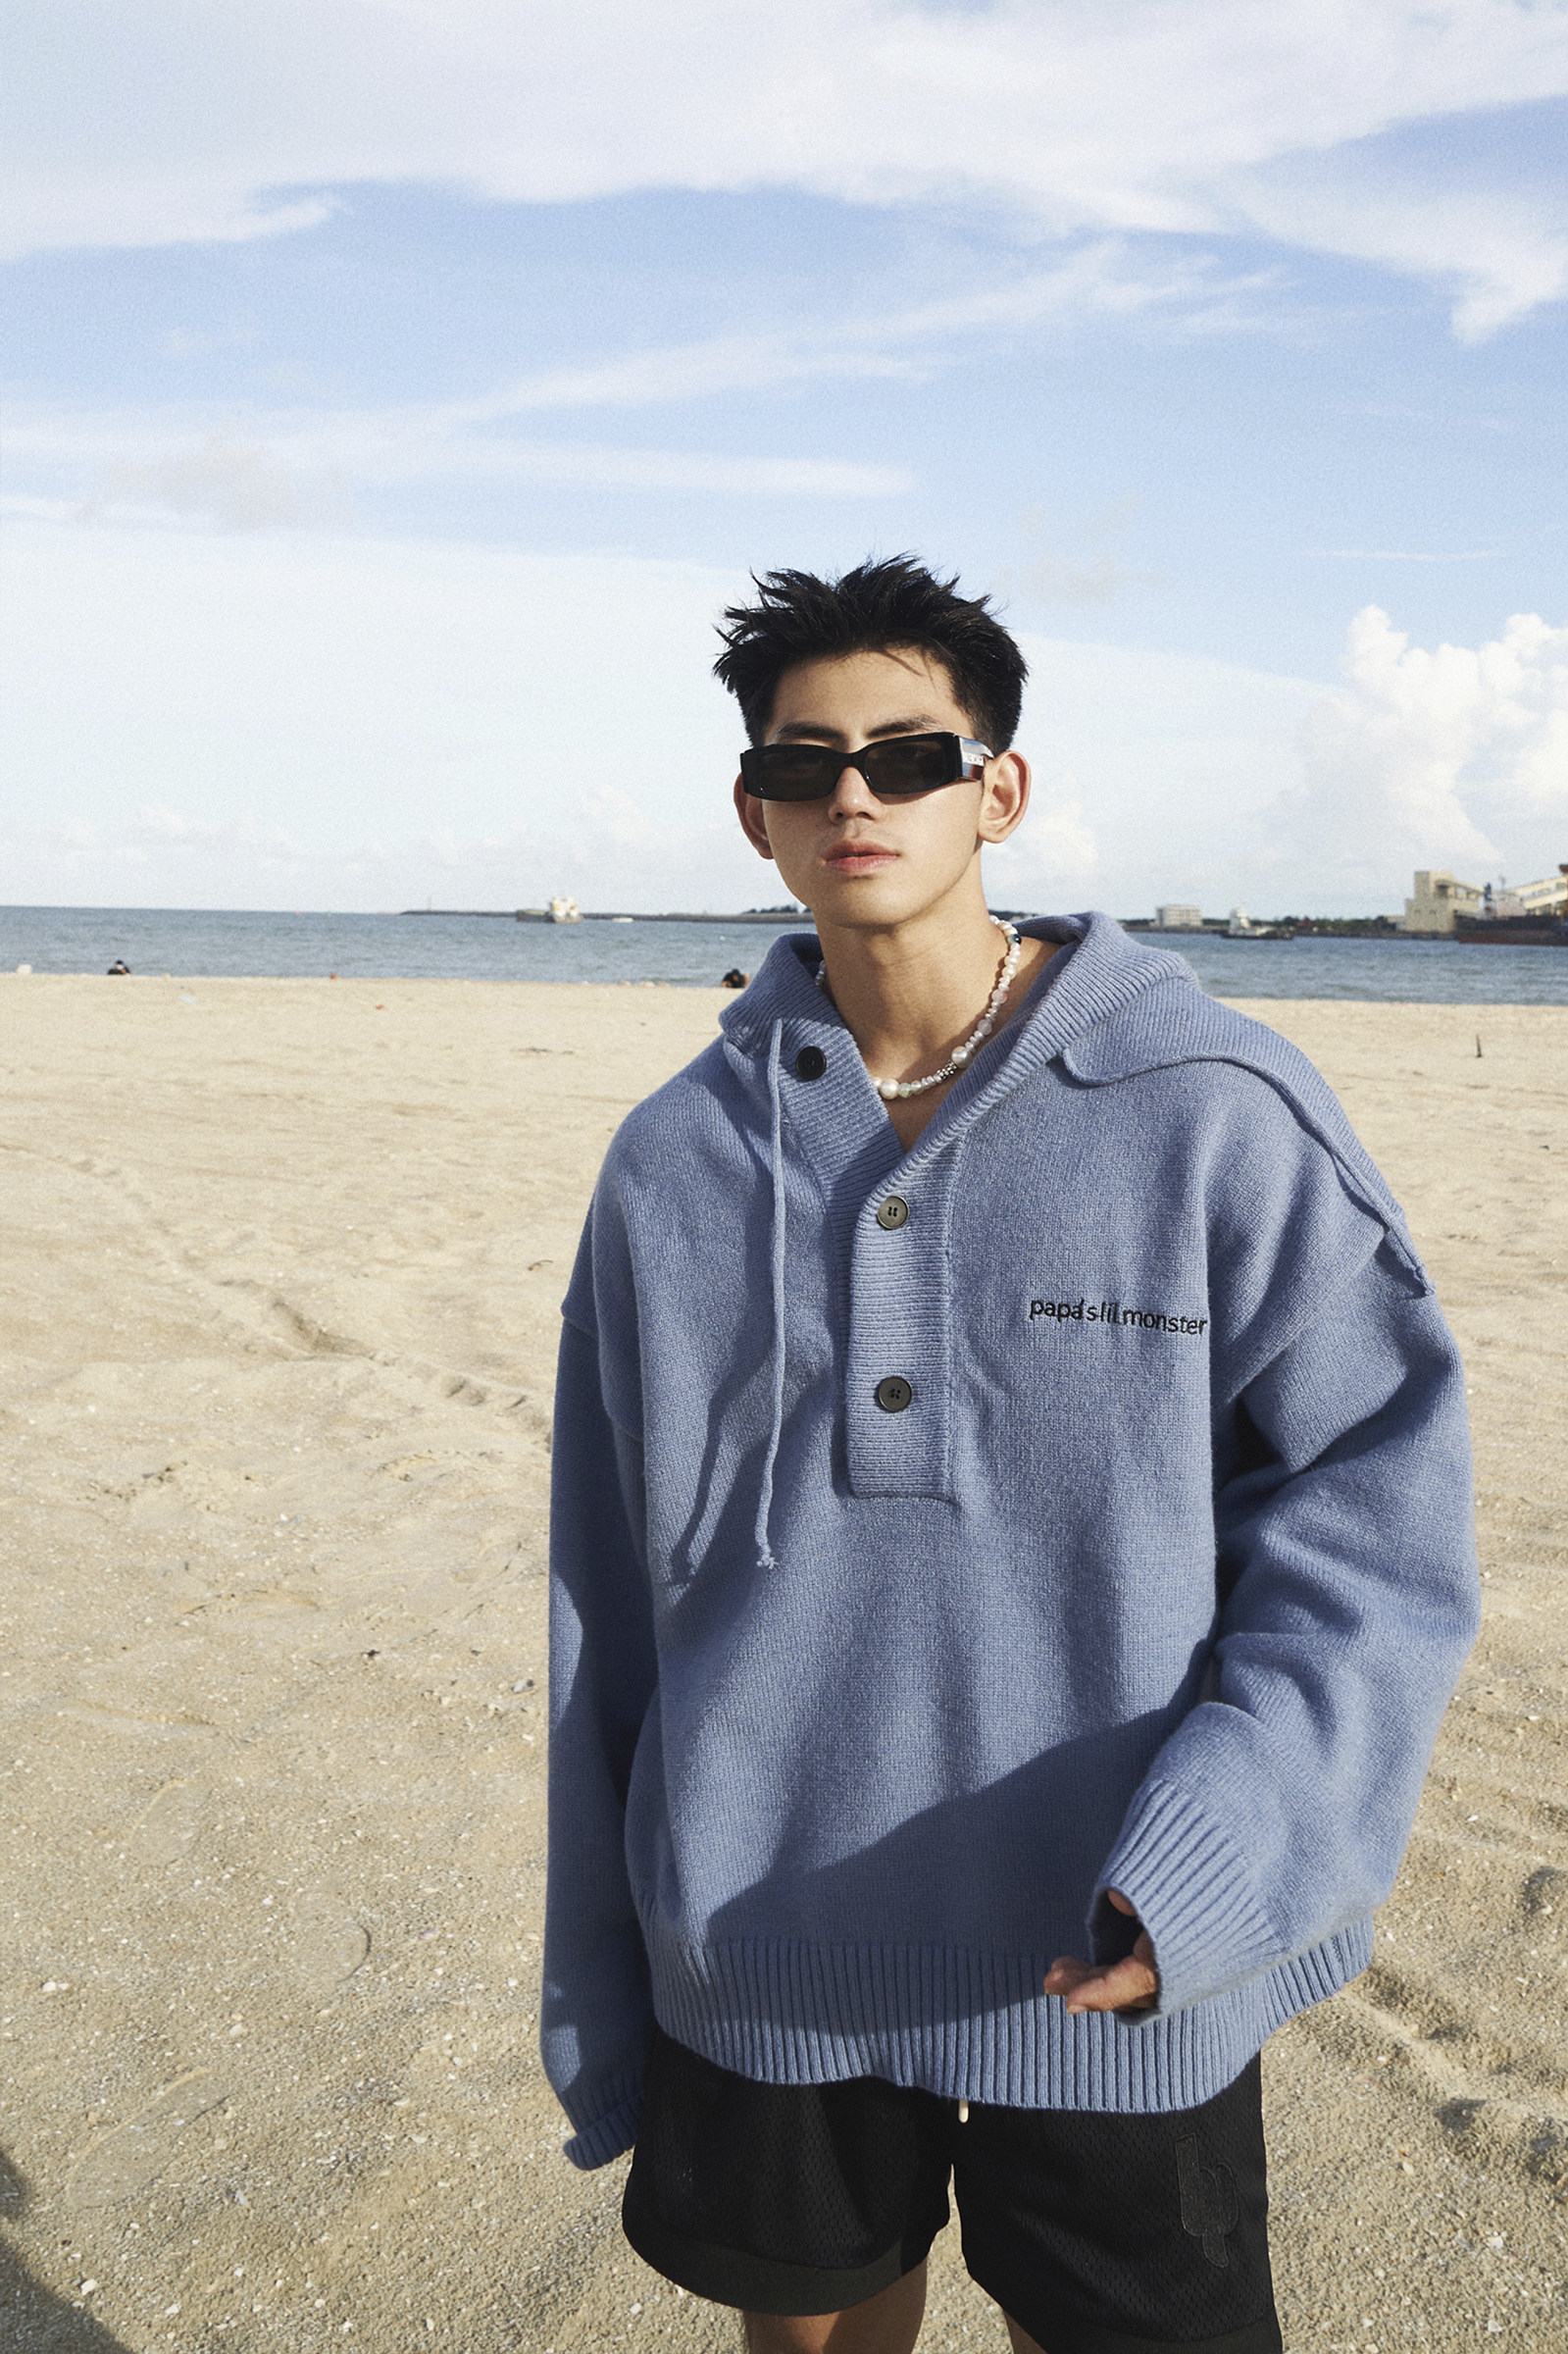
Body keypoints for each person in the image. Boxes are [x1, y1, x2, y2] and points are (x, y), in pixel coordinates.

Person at [543, 557, 1479, 2354]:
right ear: (754, 811)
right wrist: (605, 1965)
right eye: (806, 764)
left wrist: (1226, 1852)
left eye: (910, 755)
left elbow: (1379, 1534)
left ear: (1002, 788)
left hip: (1114, 1930)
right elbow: (607, 1605)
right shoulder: (673, 1161)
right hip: (764, 1939)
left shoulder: (1215, 1113)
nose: (857, 797)